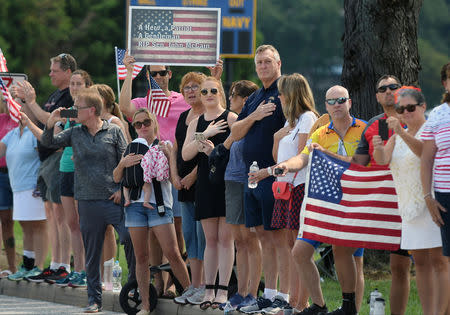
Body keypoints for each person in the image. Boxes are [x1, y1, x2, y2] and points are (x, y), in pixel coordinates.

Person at [41, 88, 135, 313]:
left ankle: (134, 287)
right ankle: (94, 299)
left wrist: (123, 190)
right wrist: (50, 124)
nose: (74, 111)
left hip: (113, 199)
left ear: (91, 110)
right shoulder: (74, 132)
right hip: (87, 201)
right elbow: (50, 143)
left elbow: (127, 161)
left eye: (78, 107)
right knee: (92, 254)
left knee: (130, 239)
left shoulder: (114, 131)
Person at [276, 86, 367, 315]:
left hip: (355, 202)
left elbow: (361, 162)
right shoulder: (319, 134)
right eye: (331, 101)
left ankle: (351, 310)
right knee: (300, 252)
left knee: (354, 260)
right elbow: (304, 158)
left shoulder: (365, 129)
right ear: (325, 106)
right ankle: (319, 305)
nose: (337, 104)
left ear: (350, 102)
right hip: (324, 203)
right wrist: (287, 165)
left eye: (341, 100)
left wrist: (327, 155)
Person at [373, 86, 449, 314]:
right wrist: (378, 147)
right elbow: (383, 160)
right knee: (421, 266)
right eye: (400, 109)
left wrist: (403, 133)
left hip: (432, 202)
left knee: (440, 263)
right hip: (409, 208)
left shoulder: (430, 130)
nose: (405, 113)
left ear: (423, 107)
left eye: (410, 108)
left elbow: (423, 154)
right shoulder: (396, 137)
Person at [113, 108, 191, 315]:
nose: (142, 127)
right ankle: (146, 305)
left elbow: (174, 180)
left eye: (146, 122)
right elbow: (115, 177)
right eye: (137, 124)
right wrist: (123, 163)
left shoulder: (164, 145)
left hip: (158, 205)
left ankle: (190, 294)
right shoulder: (130, 148)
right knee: (141, 257)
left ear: (154, 122)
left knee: (172, 253)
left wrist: (170, 157)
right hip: (135, 207)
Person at [230, 44, 286, 314]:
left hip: (274, 174)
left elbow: (299, 126)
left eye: (267, 62)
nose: (263, 66)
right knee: (262, 236)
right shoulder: (253, 98)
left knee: (278, 238)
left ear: (278, 63)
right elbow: (237, 131)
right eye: (259, 63)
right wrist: (254, 115)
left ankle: (281, 296)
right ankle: (269, 294)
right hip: (251, 175)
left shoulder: (285, 91)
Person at [351, 75, 411, 315]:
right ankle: (349, 308)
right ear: (376, 96)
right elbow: (358, 164)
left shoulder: (413, 117)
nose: (388, 91)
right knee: (346, 250)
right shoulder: (374, 124)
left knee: (403, 265)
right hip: (378, 203)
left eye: (393, 87)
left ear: (401, 91)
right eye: (382, 88)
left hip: (408, 201)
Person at [14, 53, 77, 282]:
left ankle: (64, 265)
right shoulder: (54, 95)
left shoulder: (71, 96)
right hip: (46, 160)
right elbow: (41, 120)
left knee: (61, 215)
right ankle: (55, 263)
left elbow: (52, 122)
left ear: (67, 72)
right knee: (51, 213)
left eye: (54, 70)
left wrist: (32, 102)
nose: (50, 73)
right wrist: (24, 102)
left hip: (59, 157)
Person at [182, 77, 238, 309]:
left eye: (213, 90)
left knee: (226, 239)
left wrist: (216, 151)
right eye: (204, 91)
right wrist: (207, 133)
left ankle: (223, 290)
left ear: (220, 92)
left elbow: (238, 152)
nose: (208, 94)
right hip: (205, 181)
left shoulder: (231, 118)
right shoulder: (196, 122)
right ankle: (209, 289)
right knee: (210, 240)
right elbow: (186, 154)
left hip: (225, 181)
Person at [265, 73, 318, 313]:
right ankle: (294, 300)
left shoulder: (307, 119)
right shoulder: (290, 122)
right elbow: (278, 158)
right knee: (289, 243)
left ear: (293, 93)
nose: (280, 96)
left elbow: (302, 156)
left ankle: (301, 302)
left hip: (300, 185)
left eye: (283, 91)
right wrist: (276, 138)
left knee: (299, 245)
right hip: (285, 186)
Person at [217, 80, 260, 310]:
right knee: (240, 242)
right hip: (231, 180)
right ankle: (241, 291)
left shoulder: (254, 122)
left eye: (232, 95)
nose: (229, 99)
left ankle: (253, 291)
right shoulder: (239, 122)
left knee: (251, 240)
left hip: (248, 180)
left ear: (245, 99)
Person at [54, 69, 92, 287]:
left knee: (84, 223)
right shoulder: (68, 111)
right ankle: (78, 269)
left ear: (87, 86)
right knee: (72, 223)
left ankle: (88, 269)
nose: (74, 87)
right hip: (65, 168)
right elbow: (55, 135)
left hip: (82, 171)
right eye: (72, 84)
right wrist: (58, 123)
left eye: (79, 84)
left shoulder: (87, 111)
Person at [172, 72, 207, 305]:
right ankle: (194, 286)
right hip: (182, 185)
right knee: (189, 236)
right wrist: (175, 176)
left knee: (202, 236)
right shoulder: (184, 116)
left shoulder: (208, 116)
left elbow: (206, 151)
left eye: (197, 87)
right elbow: (175, 148)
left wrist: (193, 176)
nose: (191, 91)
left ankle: (205, 285)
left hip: (202, 183)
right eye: (187, 87)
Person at [1, 112, 49, 281]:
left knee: (39, 226)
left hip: (34, 186)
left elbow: (46, 153)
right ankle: (28, 265)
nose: (18, 109)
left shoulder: (34, 132)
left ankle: (40, 266)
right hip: (18, 187)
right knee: (25, 226)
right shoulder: (12, 134)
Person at [421, 63, 450, 310]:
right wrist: (427, 196)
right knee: (447, 259)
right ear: (445, 83)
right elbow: (427, 159)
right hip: (444, 194)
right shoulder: (437, 115)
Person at [0, 96, 18, 278]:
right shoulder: (1, 120)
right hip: (2, 174)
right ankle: (10, 266)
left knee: (29, 221)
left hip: (20, 175)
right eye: (5, 100)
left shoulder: (24, 120)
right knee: (5, 221)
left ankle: (28, 265)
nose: (7, 104)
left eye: (11, 100)